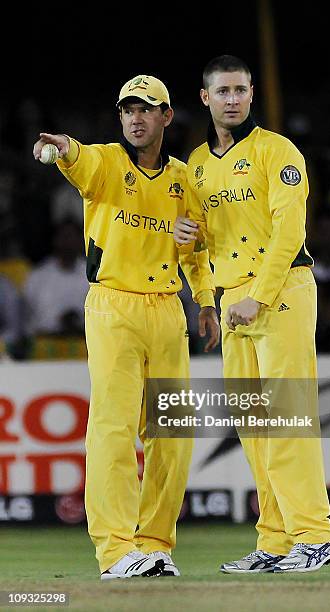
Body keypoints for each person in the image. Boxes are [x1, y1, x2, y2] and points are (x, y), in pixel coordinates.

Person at [33, 74, 219, 580]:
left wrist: (204, 300)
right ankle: (116, 551)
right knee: (113, 430)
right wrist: (62, 145)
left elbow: (195, 249)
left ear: (166, 117)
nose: (135, 119)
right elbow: (78, 157)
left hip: (167, 309)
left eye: (146, 109)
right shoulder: (106, 165)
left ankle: (155, 545)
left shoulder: (184, 178)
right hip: (113, 306)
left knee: (173, 434)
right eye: (127, 110)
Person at [174, 55, 330, 573]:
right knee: (252, 426)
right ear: (206, 99)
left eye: (240, 90)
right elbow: (203, 235)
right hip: (232, 300)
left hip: (282, 291)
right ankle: (275, 542)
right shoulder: (199, 164)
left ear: (252, 95)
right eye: (222, 91)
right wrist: (189, 238)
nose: (232, 99)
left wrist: (260, 296)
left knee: (286, 418)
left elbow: (290, 231)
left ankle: (316, 535)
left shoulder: (277, 151)